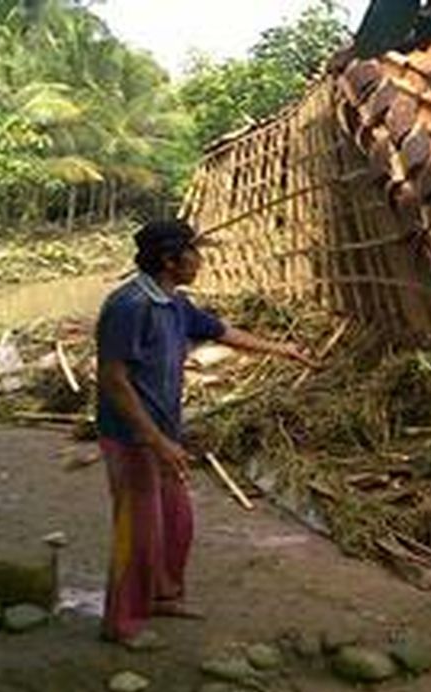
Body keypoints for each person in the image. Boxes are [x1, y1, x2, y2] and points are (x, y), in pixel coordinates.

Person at [95, 219, 311, 649]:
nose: (201, 260)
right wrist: (156, 440)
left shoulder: (175, 303)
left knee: (177, 523)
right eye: (194, 253)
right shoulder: (129, 306)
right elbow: (113, 380)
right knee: (137, 529)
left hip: (164, 434)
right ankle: (121, 623)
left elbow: (221, 332)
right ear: (169, 261)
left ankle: (163, 595)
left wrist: (281, 349)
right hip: (132, 436)